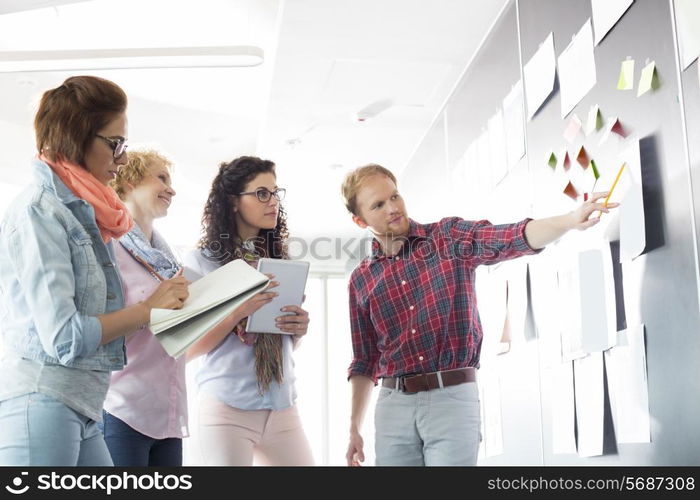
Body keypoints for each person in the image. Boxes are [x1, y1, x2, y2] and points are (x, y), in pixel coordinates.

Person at [341, 163, 618, 466]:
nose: (393, 208)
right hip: (393, 407)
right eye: (378, 205)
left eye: (395, 197)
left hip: (452, 398)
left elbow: (508, 237)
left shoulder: (447, 238)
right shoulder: (361, 279)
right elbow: (365, 361)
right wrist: (354, 427)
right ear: (359, 220)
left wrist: (568, 220)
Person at [0, 76, 189, 466]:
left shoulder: (91, 216)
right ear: (77, 137)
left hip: (84, 404)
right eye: (115, 143)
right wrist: (148, 309)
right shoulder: (40, 211)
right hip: (45, 398)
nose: (122, 159)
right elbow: (64, 337)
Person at [184, 156, 314, 466]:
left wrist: (297, 328)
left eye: (275, 192)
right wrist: (235, 313)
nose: (273, 202)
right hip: (227, 408)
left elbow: (282, 342)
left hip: (282, 404)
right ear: (232, 202)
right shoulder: (202, 262)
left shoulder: (280, 261)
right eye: (261, 193)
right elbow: (187, 349)